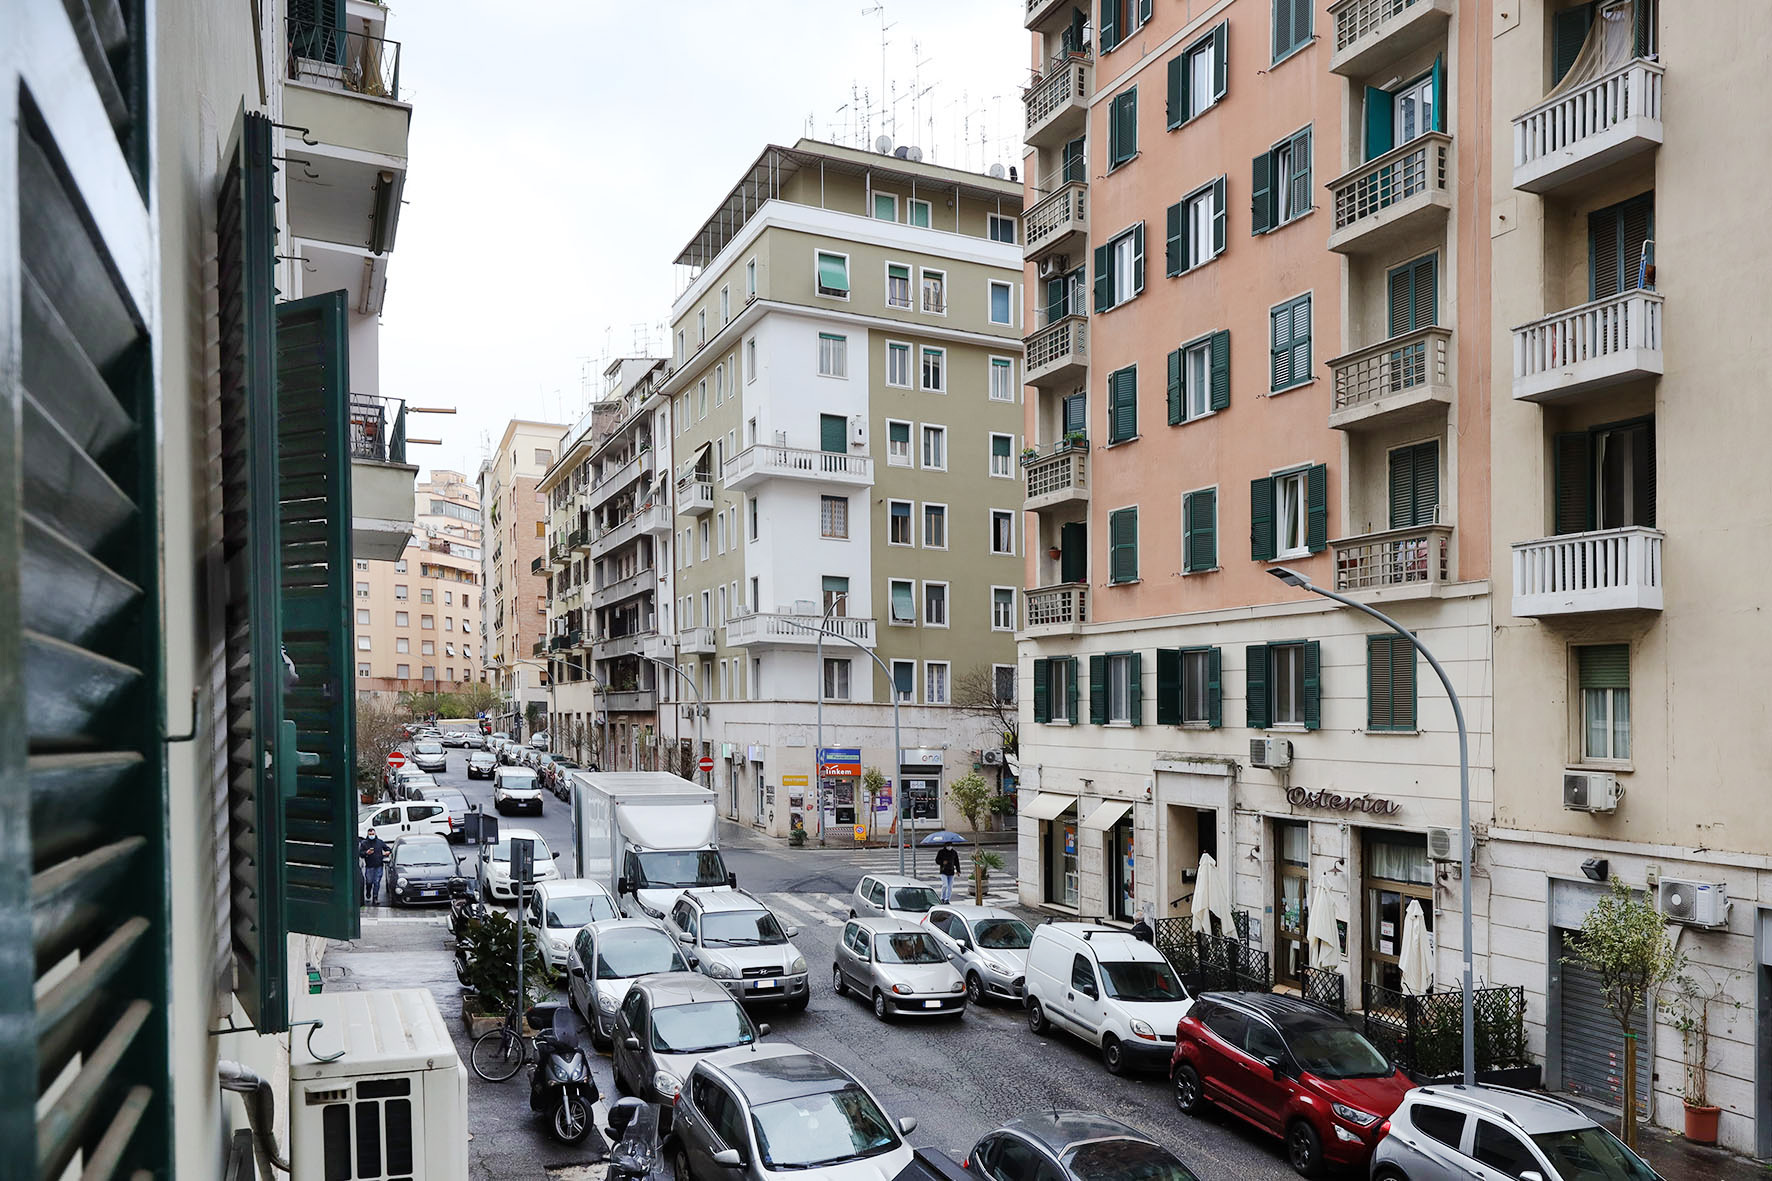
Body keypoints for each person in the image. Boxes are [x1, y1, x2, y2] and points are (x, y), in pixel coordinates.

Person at [359, 828, 391, 906]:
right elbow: (360, 853)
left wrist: (387, 852)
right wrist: (366, 853)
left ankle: (375, 898)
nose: (371, 835)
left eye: (372, 834)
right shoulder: (364, 843)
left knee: (377, 882)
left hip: (379, 865)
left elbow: (388, 849)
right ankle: (368, 892)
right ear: (368, 834)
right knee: (369, 881)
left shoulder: (379, 842)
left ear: (375, 834)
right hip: (369, 866)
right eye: (370, 834)